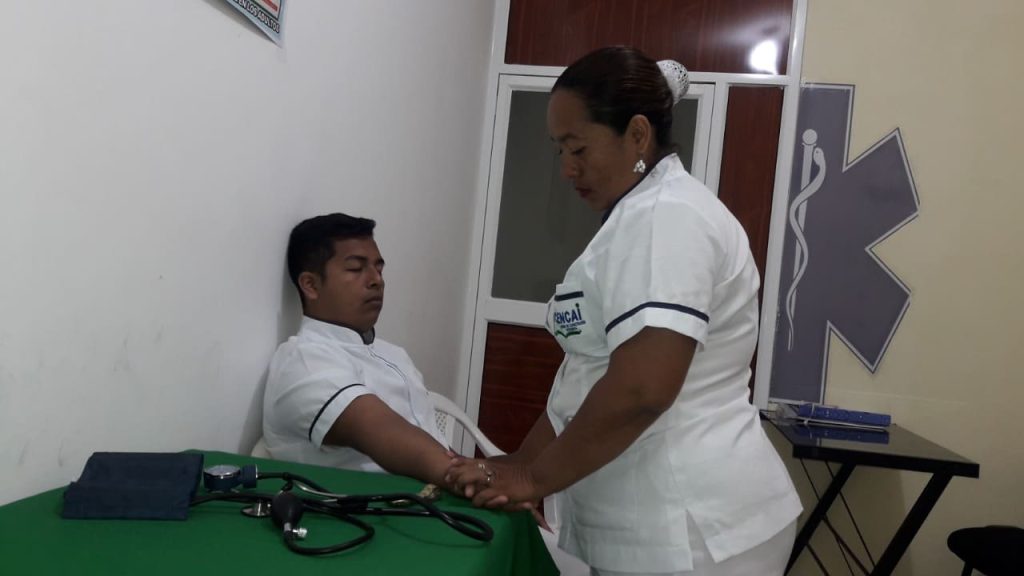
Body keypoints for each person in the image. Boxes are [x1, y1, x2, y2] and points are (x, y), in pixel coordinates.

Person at [446, 47, 803, 576]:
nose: (567, 169)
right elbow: (588, 374)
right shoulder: (638, 216)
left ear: (637, 135)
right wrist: (520, 463)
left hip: (691, 529)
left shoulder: (666, 217)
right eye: (559, 150)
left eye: (578, 148)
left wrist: (535, 480)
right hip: (665, 524)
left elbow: (642, 388)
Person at [262, 213, 453, 487]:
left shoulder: (392, 353)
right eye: (355, 269)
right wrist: (480, 477)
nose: (377, 280)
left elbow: (438, 448)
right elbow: (385, 433)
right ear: (311, 285)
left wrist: (486, 472)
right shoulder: (304, 362)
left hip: (433, 493)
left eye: (379, 269)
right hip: (374, 507)